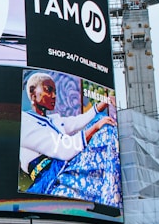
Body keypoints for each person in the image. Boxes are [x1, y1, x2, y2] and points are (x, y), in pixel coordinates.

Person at [19, 71, 118, 204]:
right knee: (102, 128)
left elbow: (78, 121)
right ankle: (112, 199)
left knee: (103, 123)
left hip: (64, 165)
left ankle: (112, 196)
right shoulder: (23, 121)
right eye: (49, 90)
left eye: (55, 91)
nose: (54, 96)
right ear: (32, 93)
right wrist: (96, 127)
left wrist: (102, 104)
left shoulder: (53, 120)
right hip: (49, 176)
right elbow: (63, 148)